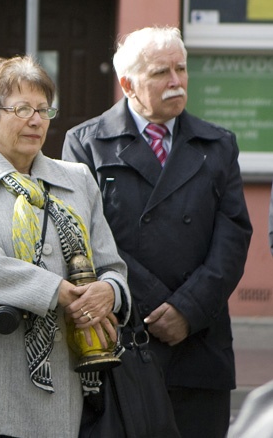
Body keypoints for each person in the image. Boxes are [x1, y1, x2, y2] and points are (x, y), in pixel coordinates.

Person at [62, 26, 253, 438]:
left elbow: (233, 236)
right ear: (127, 84)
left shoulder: (218, 145)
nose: (176, 82)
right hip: (125, 338)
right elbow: (82, 238)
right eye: (161, 73)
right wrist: (150, 308)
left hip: (199, 340)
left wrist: (188, 308)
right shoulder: (86, 144)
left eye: (181, 69)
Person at [0, 55, 130, 437]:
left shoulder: (77, 178)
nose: (36, 121)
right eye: (22, 109)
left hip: (67, 376)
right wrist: (60, 292)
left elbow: (112, 267)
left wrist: (108, 292)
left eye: (43, 109)